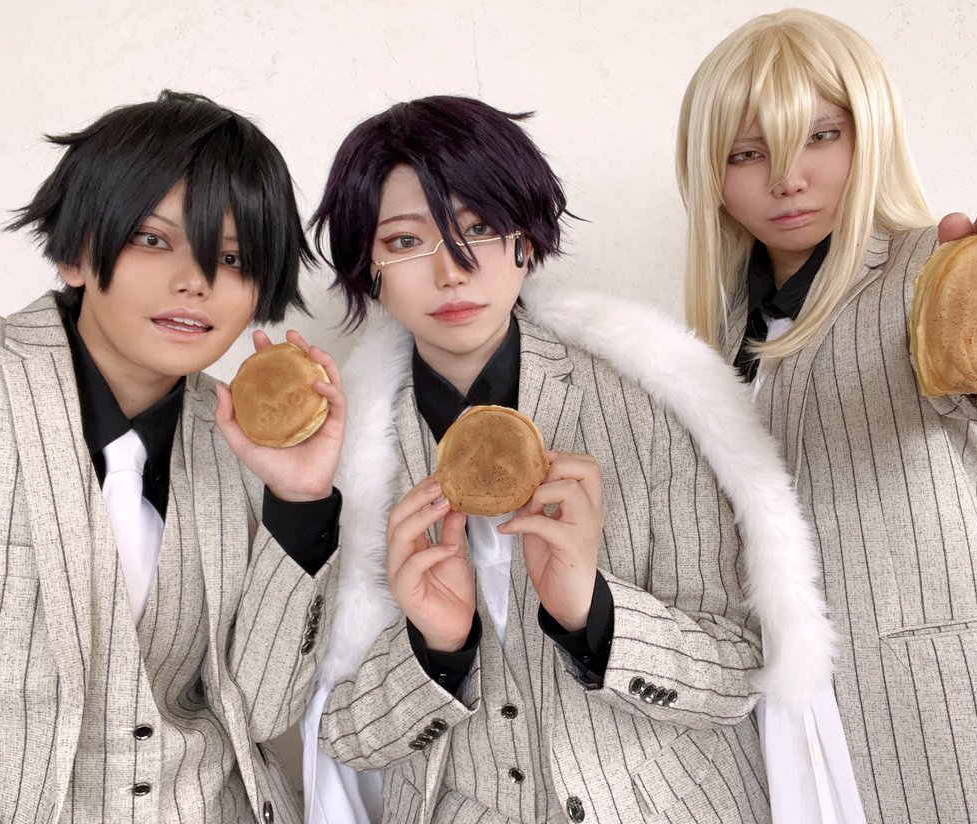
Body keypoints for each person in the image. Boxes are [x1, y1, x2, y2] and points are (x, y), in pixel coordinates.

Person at [300, 94, 837, 824]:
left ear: (526, 239)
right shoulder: (342, 451)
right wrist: (434, 648)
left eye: (479, 228)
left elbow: (744, 669)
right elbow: (338, 738)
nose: (451, 270)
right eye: (404, 241)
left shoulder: (650, 398)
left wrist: (594, 611)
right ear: (371, 266)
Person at [676, 9, 977, 824]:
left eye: (821, 137)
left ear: (872, 134)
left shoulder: (935, 271)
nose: (787, 179)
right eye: (748, 154)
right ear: (708, 172)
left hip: (942, 715)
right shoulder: (723, 331)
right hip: (788, 716)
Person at [0, 90, 346, 824]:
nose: (196, 281)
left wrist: (301, 501)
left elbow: (260, 710)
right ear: (75, 252)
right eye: (154, 241)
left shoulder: (243, 439)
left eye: (232, 258)